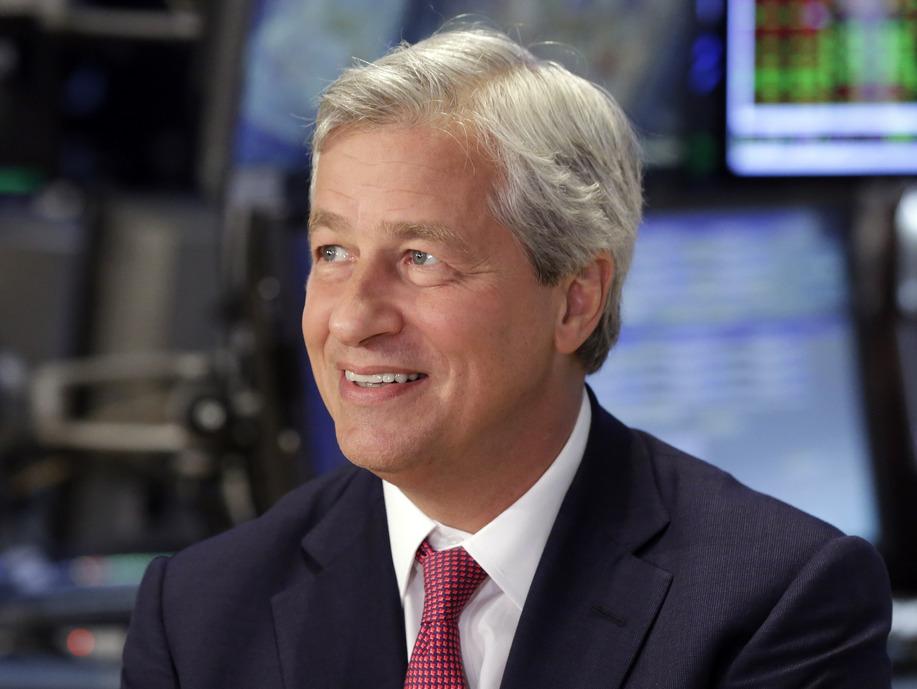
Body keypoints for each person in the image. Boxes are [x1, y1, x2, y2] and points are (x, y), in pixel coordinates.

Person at [121, 25, 892, 689]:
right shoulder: (198, 613)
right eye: (332, 252)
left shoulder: (777, 602)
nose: (352, 317)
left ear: (574, 299)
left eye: (421, 258)